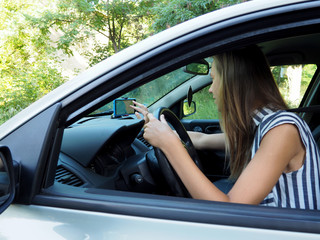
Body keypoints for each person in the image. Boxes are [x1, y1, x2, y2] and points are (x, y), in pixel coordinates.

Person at [131, 45, 320, 209]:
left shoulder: (281, 129)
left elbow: (229, 209)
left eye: (214, 79)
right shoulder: (259, 127)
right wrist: (158, 128)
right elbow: (200, 139)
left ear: (233, 82)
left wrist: (169, 145)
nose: (211, 89)